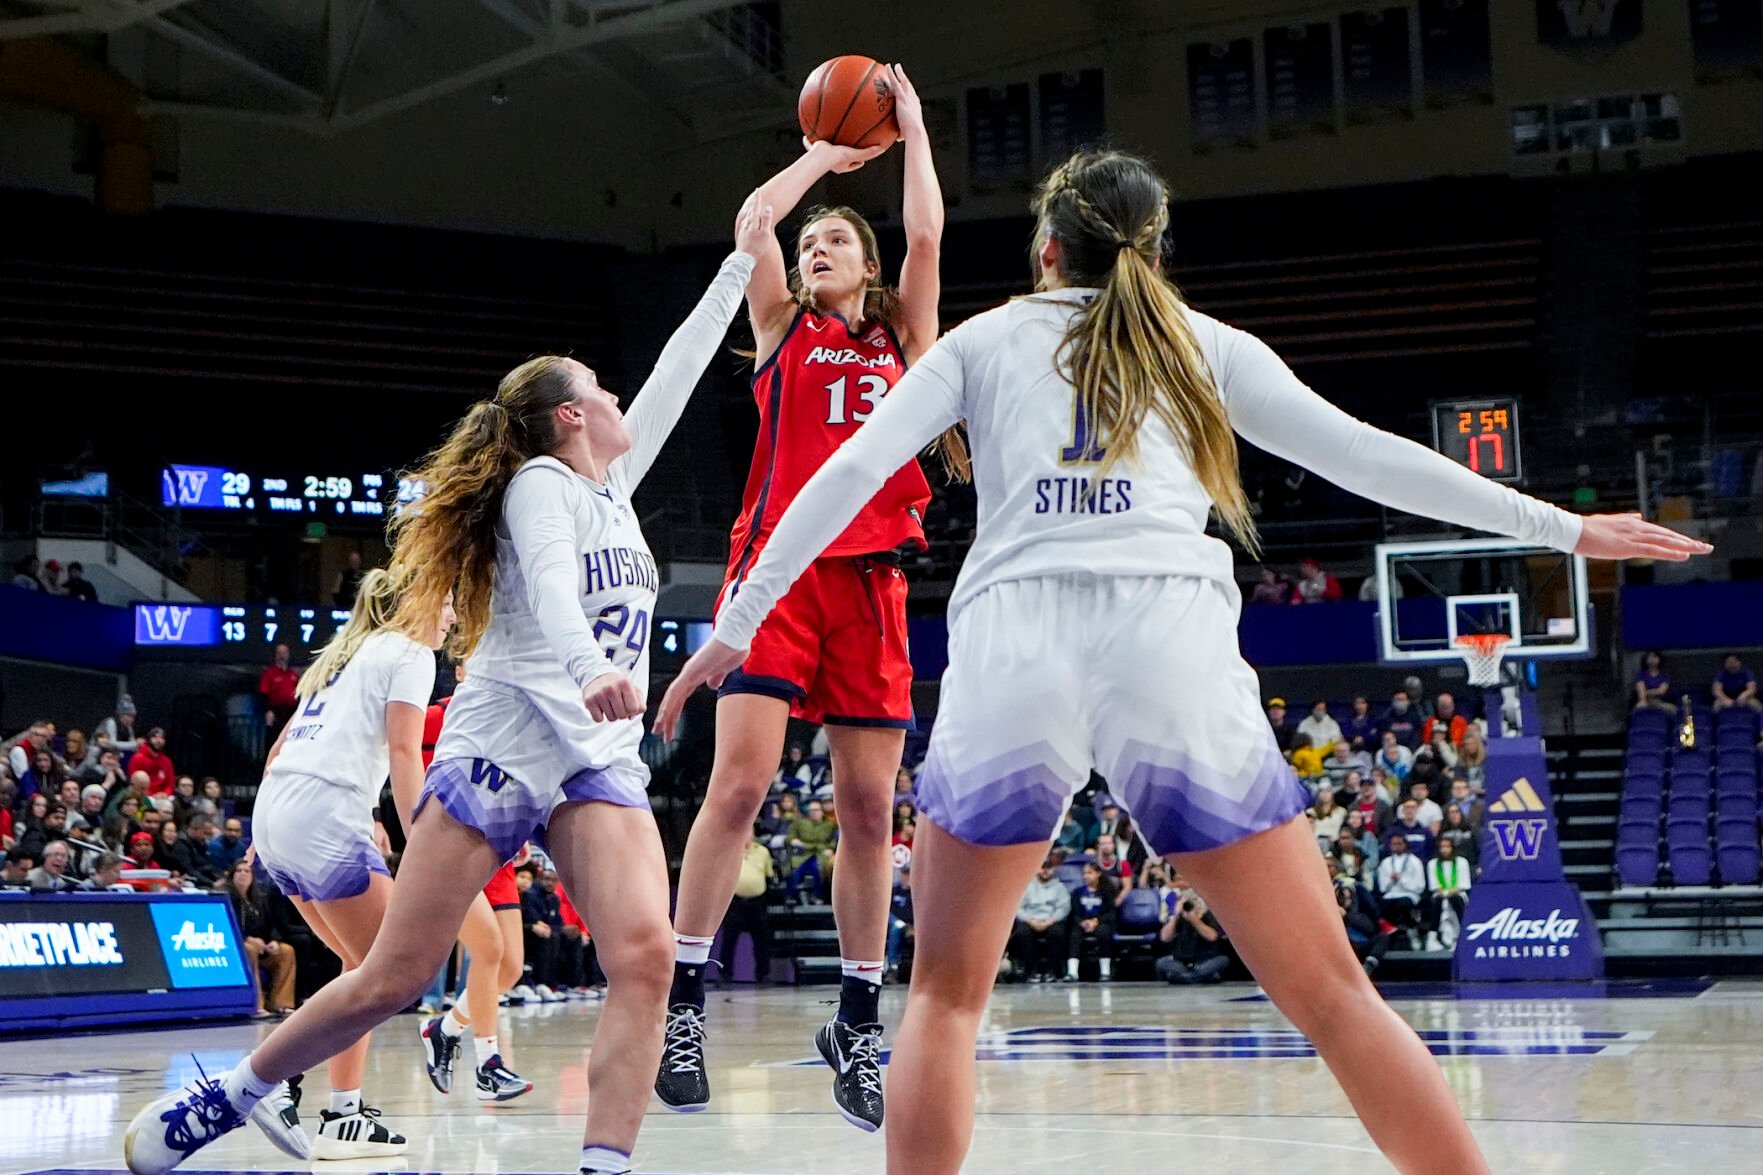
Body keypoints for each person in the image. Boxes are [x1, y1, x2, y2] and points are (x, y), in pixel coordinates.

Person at [653, 146, 1706, 1175]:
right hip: (1168, 636)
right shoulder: (1199, 342)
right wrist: (1561, 528)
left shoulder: (979, 341)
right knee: (1333, 993)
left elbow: (842, 476)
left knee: (942, 997)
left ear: (1043, 255)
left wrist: (734, 625)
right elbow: (1367, 454)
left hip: (1014, 638)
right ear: (1150, 253)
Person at [124, 206, 771, 1175]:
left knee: (645, 955)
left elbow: (679, 367)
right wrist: (593, 668)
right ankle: (228, 1096)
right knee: (396, 971)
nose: (617, 395)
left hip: (593, 756)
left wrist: (743, 252)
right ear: (569, 417)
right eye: (598, 388)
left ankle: (605, 1162)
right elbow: (552, 585)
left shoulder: (611, 485)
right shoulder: (539, 486)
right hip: (506, 741)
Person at [657, 65, 959, 1134]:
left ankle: (856, 1016)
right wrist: (824, 158)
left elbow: (925, 240)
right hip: (773, 574)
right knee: (735, 786)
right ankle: (681, 1001)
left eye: (835, 239)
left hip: (871, 580)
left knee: (872, 810)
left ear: (865, 267)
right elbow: (750, 220)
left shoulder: (900, 340)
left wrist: (912, 130)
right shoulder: (783, 328)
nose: (815, 247)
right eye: (810, 241)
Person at [244, 571, 452, 1159]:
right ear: (419, 601)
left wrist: (272, 829)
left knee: (360, 966)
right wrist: (422, 844)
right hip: (322, 816)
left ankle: (344, 1114)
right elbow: (407, 753)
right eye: (448, 604)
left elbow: (279, 752)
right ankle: (275, 1080)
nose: (452, 618)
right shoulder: (411, 652)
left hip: (281, 812)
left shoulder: (342, 654)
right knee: (397, 970)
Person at [416, 661, 535, 1105]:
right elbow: (388, 751)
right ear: (464, 670)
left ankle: (445, 1029)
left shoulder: (510, 719)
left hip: (499, 852)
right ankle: (488, 1064)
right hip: (454, 847)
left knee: (510, 968)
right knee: (489, 951)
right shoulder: (432, 718)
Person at [227, 858, 298, 1016]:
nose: (243, 874)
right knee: (249, 950)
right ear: (232, 875)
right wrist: (247, 938)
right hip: (238, 946)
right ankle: (256, 1004)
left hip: (263, 947)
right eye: (239, 871)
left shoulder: (259, 899)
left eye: (247, 871)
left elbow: (270, 925)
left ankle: (280, 1002)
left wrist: (273, 940)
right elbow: (227, 924)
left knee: (286, 951)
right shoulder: (227, 898)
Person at [717, 826, 775, 985]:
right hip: (734, 901)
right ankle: (724, 974)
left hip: (758, 902)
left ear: (754, 834)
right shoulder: (729, 850)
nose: (746, 834)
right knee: (729, 940)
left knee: (762, 940)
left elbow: (769, 875)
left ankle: (764, 974)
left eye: (749, 831)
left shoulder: (763, 852)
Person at [1008, 856, 1071, 983]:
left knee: (1057, 933)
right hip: (1031, 920)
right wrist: (1031, 921)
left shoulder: (1060, 887)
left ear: (1053, 869)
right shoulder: (1027, 886)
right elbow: (1018, 908)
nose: (1045, 871)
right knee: (1022, 933)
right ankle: (1032, 971)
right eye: (1043, 868)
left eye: (1048, 868)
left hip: (1051, 920)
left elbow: (1064, 908)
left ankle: (1051, 971)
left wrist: (1050, 921)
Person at [1155, 888, 1228, 984]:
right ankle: (1198, 977)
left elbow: (1212, 936)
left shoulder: (1209, 915)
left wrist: (1194, 919)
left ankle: (1186, 977)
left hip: (1205, 961)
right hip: (1182, 962)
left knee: (1223, 960)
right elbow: (1165, 937)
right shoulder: (1179, 918)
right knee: (1161, 962)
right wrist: (1174, 916)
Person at [1064, 862, 1115, 982]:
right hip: (1082, 922)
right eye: (1084, 873)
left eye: (1089, 873)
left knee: (1104, 933)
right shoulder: (1077, 892)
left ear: (1098, 874)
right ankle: (1072, 972)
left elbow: (1111, 913)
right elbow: (1074, 913)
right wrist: (1082, 922)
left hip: (1100, 922)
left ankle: (1105, 971)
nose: (1086, 876)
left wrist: (1096, 921)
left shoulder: (1106, 892)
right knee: (1074, 935)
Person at [1376, 834, 1427, 947]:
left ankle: (1412, 932)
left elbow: (1420, 886)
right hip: (1391, 893)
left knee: (1403, 903)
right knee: (1384, 905)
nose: (1397, 847)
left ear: (1405, 845)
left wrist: (1402, 880)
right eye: (1394, 844)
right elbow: (1383, 887)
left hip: (1410, 894)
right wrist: (1392, 880)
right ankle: (1390, 936)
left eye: (1400, 844)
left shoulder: (1415, 861)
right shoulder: (1386, 863)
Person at [1425, 835, 1473, 949]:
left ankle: (1461, 937)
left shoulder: (1462, 862)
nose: (1444, 850)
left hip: (1458, 894)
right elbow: (1435, 886)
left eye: (1447, 847)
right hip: (1440, 895)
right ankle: (1432, 938)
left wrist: (1449, 893)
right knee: (1438, 901)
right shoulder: (1433, 863)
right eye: (1442, 847)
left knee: (1455, 899)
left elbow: (1463, 884)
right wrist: (1445, 894)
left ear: (1452, 848)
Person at [260, 644, 302, 742]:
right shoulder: (270, 673)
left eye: (284, 653)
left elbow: (299, 693)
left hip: (291, 713)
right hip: (276, 713)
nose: (282, 656)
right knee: (274, 739)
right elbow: (264, 693)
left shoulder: (293, 674)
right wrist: (268, 711)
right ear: (276, 655)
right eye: (279, 653)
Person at [126, 728, 176, 797]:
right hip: (142, 796)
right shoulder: (138, 758)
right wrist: (151, 795)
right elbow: (134, 781)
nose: (158, 741)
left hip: (162, 797)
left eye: (161, 738)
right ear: (148, 740)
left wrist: (165, 793)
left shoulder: (167, 761)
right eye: (155, 737)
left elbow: (170, 783)